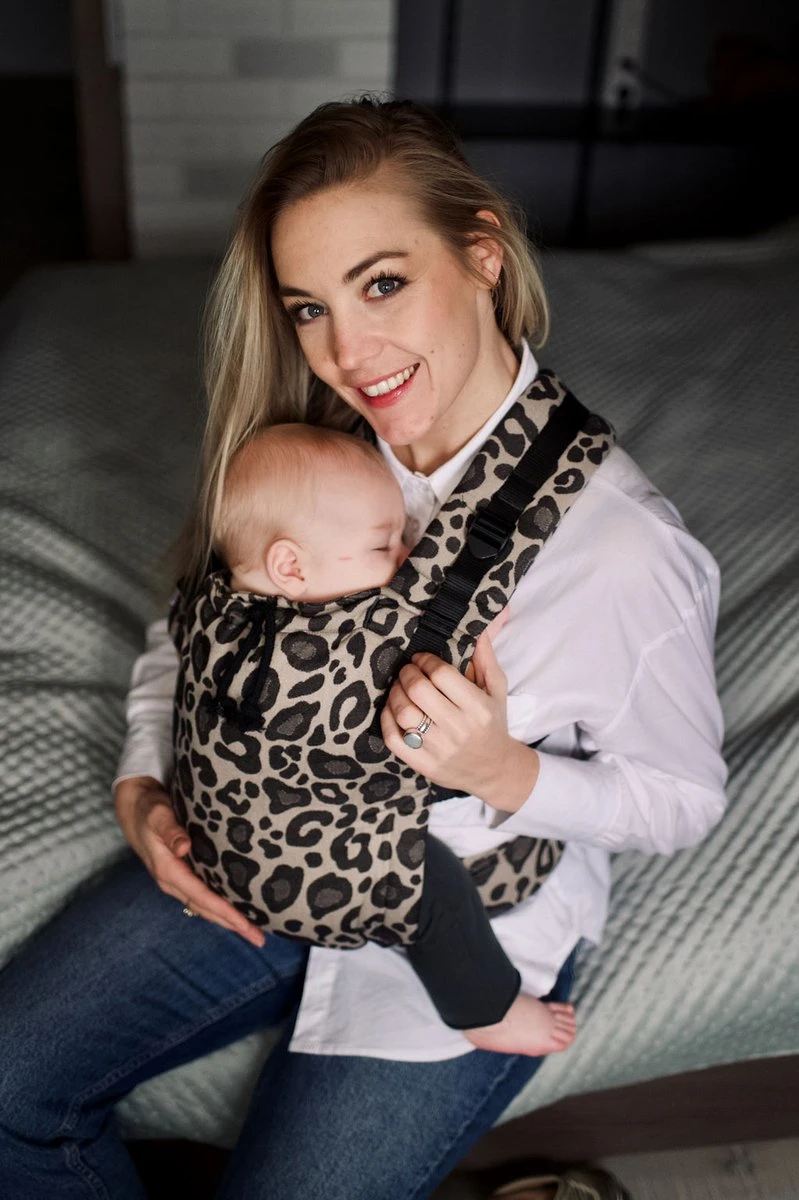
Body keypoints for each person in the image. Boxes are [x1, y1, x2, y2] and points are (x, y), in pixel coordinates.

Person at [0, 97, 727, 1200]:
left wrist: (506, 772)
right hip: (253, 846)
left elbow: (682, 803)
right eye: (309, 307)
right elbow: (191, 628)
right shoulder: (315, 446)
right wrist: (140, 788)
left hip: (458, 914)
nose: (347, 353)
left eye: (381, 283)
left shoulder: (619, 550)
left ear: (481, 255)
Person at [177, 419, 577, 1055]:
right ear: (291, 565)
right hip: (319, 880)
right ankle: (487, 1011)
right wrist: (478, 628)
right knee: (435, 894)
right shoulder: (342, 655)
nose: (405, 557)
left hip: (215, 851)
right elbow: (437, 658)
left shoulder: (210, 607)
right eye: (382, 544)